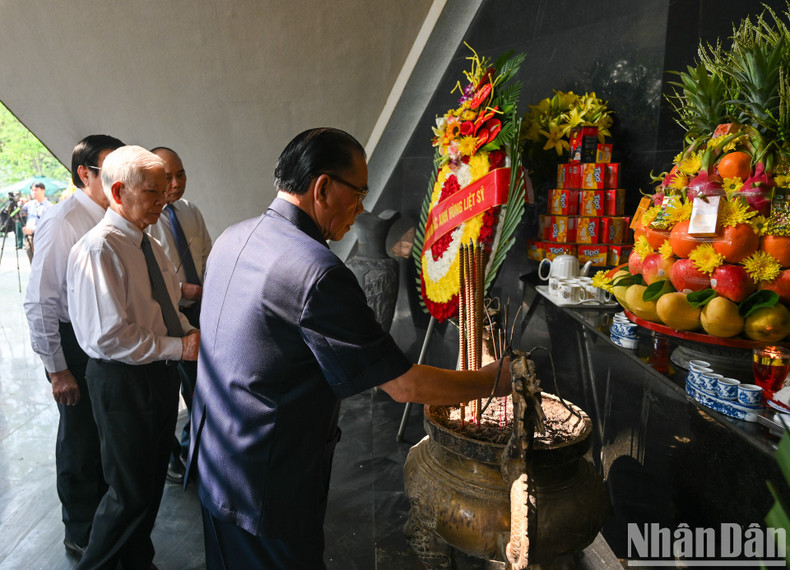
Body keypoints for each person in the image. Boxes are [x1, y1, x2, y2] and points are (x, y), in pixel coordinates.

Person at [188, 127, 511, 569]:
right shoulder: (316, 270)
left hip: (215, 461)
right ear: (322, 187)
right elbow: (402, 384)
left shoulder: (231, 236)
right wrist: (494, 380)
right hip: (267, 484)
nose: (361, 207)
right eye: (358, 192)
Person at [66, 145, 200, 569]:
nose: (164, 199)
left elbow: (164, 306)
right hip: (123, 381)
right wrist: (180, 347)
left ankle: (138, 562)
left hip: (156, 376)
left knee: (147, 488)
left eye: (165, 190)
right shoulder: (99, 249)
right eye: (154, 192)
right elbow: (108, 337)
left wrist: (189, 332)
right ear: (119, 191)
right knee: (128, 495)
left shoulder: (148, 241)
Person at [23, 134, 124, 560]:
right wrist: (57, 369)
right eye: (111, 170)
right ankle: (80, 530)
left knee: (106, 435)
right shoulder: (63, 220)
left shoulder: (115, 214)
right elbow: (40, 300)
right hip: (74, 343)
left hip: (107, 340)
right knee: (80, 439)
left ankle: (107, 523)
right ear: (85, 174)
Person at [146, 146, 212, 483]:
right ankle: (185, 454)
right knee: (190, 388)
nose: (175, 183)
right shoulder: (148, 220)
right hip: (172, 316)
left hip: (202, 309)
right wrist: (184, 289)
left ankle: (195, 450)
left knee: (206, 385)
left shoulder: (190, 211)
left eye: (180, 174)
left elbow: (207, 254)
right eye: (166, 177)